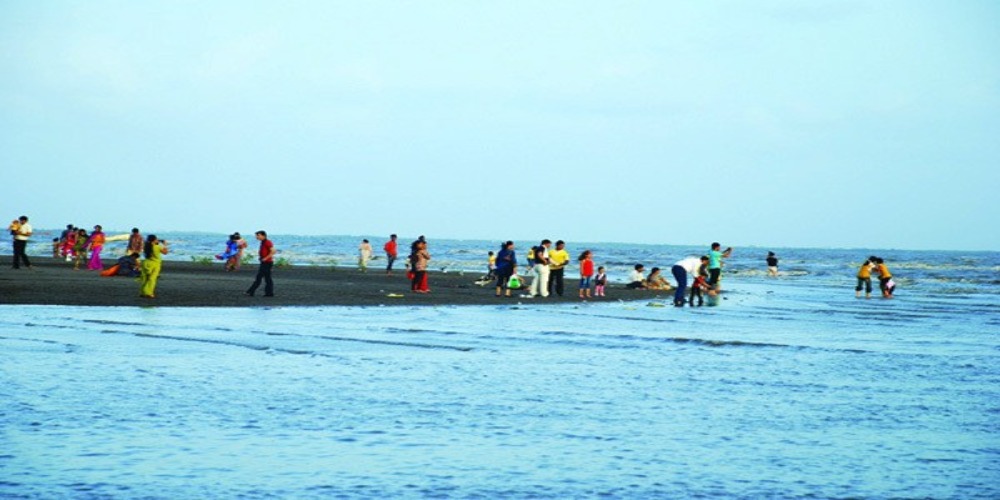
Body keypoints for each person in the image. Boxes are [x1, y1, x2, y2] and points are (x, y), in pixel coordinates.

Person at [245, 231, 275, 297]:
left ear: (263, 235)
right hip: (264, 262)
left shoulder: (267, 242)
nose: (257, 237)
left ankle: (251, 291)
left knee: (260, 277)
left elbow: (273, 251)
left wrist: (265, 258)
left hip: (267, 263)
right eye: (256, 235)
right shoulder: (263, 242)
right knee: (267, 278)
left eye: (258, 235)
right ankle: (269, 293)